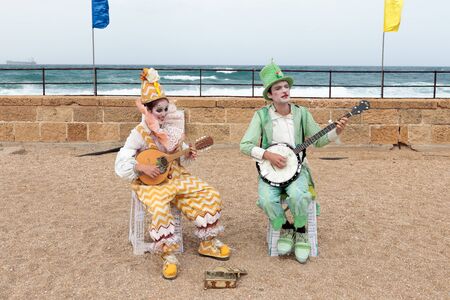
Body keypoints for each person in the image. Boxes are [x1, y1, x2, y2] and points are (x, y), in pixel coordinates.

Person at [115, 68, 230, 279]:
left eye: (166, 109)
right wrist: (141, 167)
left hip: (176, 176)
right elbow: (121, 162)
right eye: (159, 110)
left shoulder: (171, 131)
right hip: (152, 183)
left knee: (210, 193)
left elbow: (180, 153)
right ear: (147, 110)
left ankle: (208, 242)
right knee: (159, 207)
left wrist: (189, 154)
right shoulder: (138, 134)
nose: (164, 114)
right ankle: (168, 256)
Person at [240, 61, 348, 263]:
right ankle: (285, 228)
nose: (284, 91)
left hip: (297, 170)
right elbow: (245, 145)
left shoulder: (302, 113)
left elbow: (321, 140)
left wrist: (338, 130)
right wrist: (268, 155)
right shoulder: (261, 116)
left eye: (286, 86)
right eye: (278, 88)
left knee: (299, 195)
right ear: (270, 95)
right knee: (265, 200)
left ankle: (300, 230)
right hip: (270, 170)